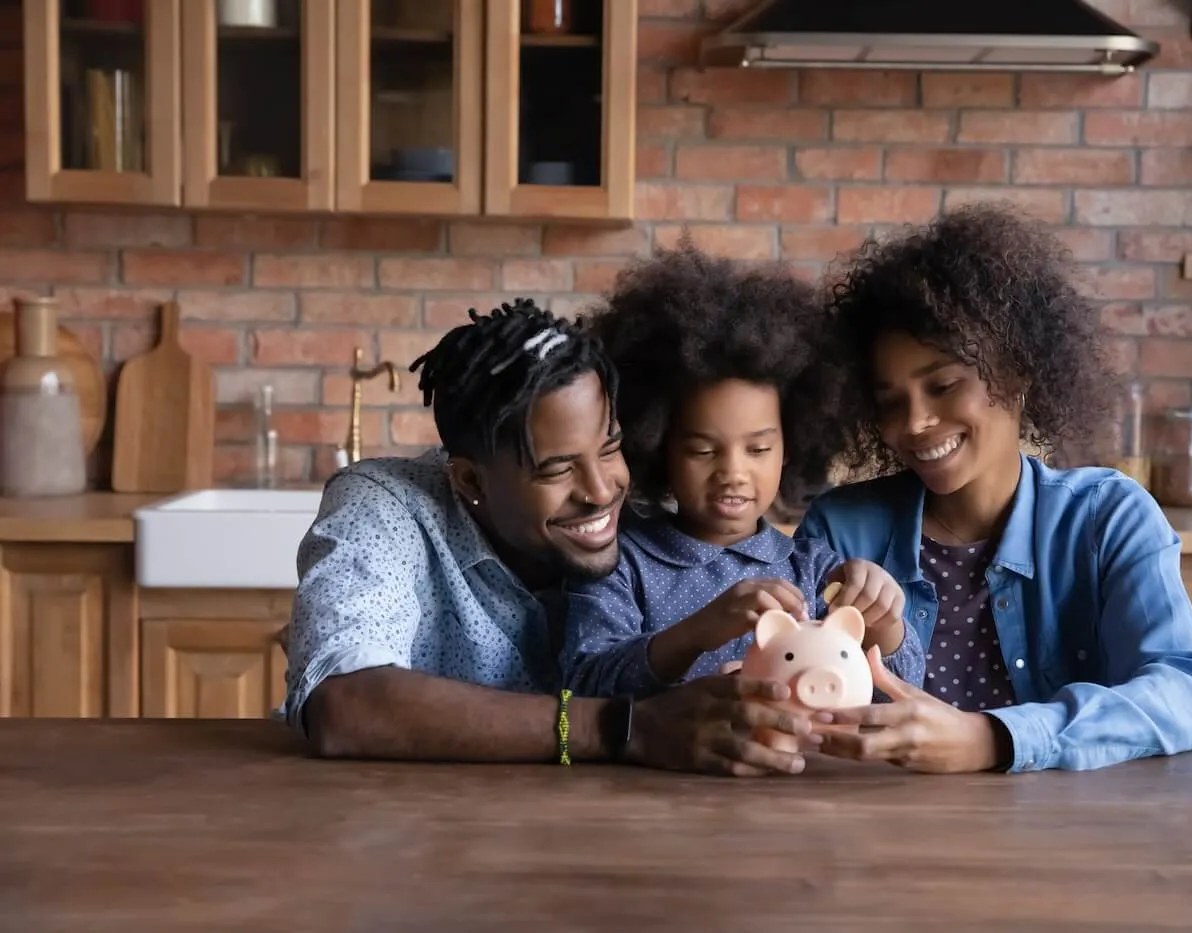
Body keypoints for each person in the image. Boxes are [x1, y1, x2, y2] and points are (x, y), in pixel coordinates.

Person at [283, 298, 818, 777]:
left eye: (610, 449)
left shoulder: (650, 522)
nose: (601, 491)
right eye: (557, 469)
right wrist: (620, 728)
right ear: (471, 481)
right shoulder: (385, 508)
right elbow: (344, 703)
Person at [794, 203, 1192, 774]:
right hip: (880, 839)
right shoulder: (840, 530)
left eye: (944, 385)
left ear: (1017, 373)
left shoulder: (1107, 519)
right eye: (889, 401)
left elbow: (1187, 694)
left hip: (1066, 840)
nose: (915, 422)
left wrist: (993, 739)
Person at [559, 243, 925, 700]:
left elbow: (903, 693)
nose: (733, 472)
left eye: (758, 448)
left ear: (790, 448)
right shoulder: (622, 563)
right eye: (703, 450)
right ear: (656, 446)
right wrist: (696, 633)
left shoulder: (815, 572)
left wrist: (885, 627)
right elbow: (582, 683)